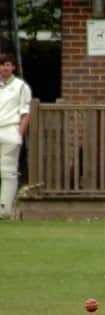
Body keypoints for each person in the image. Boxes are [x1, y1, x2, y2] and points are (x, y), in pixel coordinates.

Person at [0, 52, 31, 219]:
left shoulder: (21, 86)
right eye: (3, 64)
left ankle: (4, 210)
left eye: (8, 64)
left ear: (13, 67)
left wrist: (19, 132)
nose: (5, 67)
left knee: (8, 171)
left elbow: (26, 112)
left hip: (10, 129)